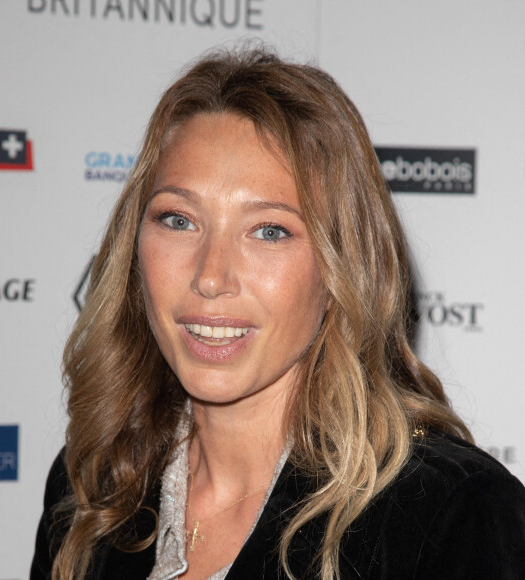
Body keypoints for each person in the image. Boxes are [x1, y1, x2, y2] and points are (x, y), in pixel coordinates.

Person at [31, 47, 525, 580]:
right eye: (178, 220)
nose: (210, 276)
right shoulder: (92, 488)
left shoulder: (452, 516)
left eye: (269, 231)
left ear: (342, 270)